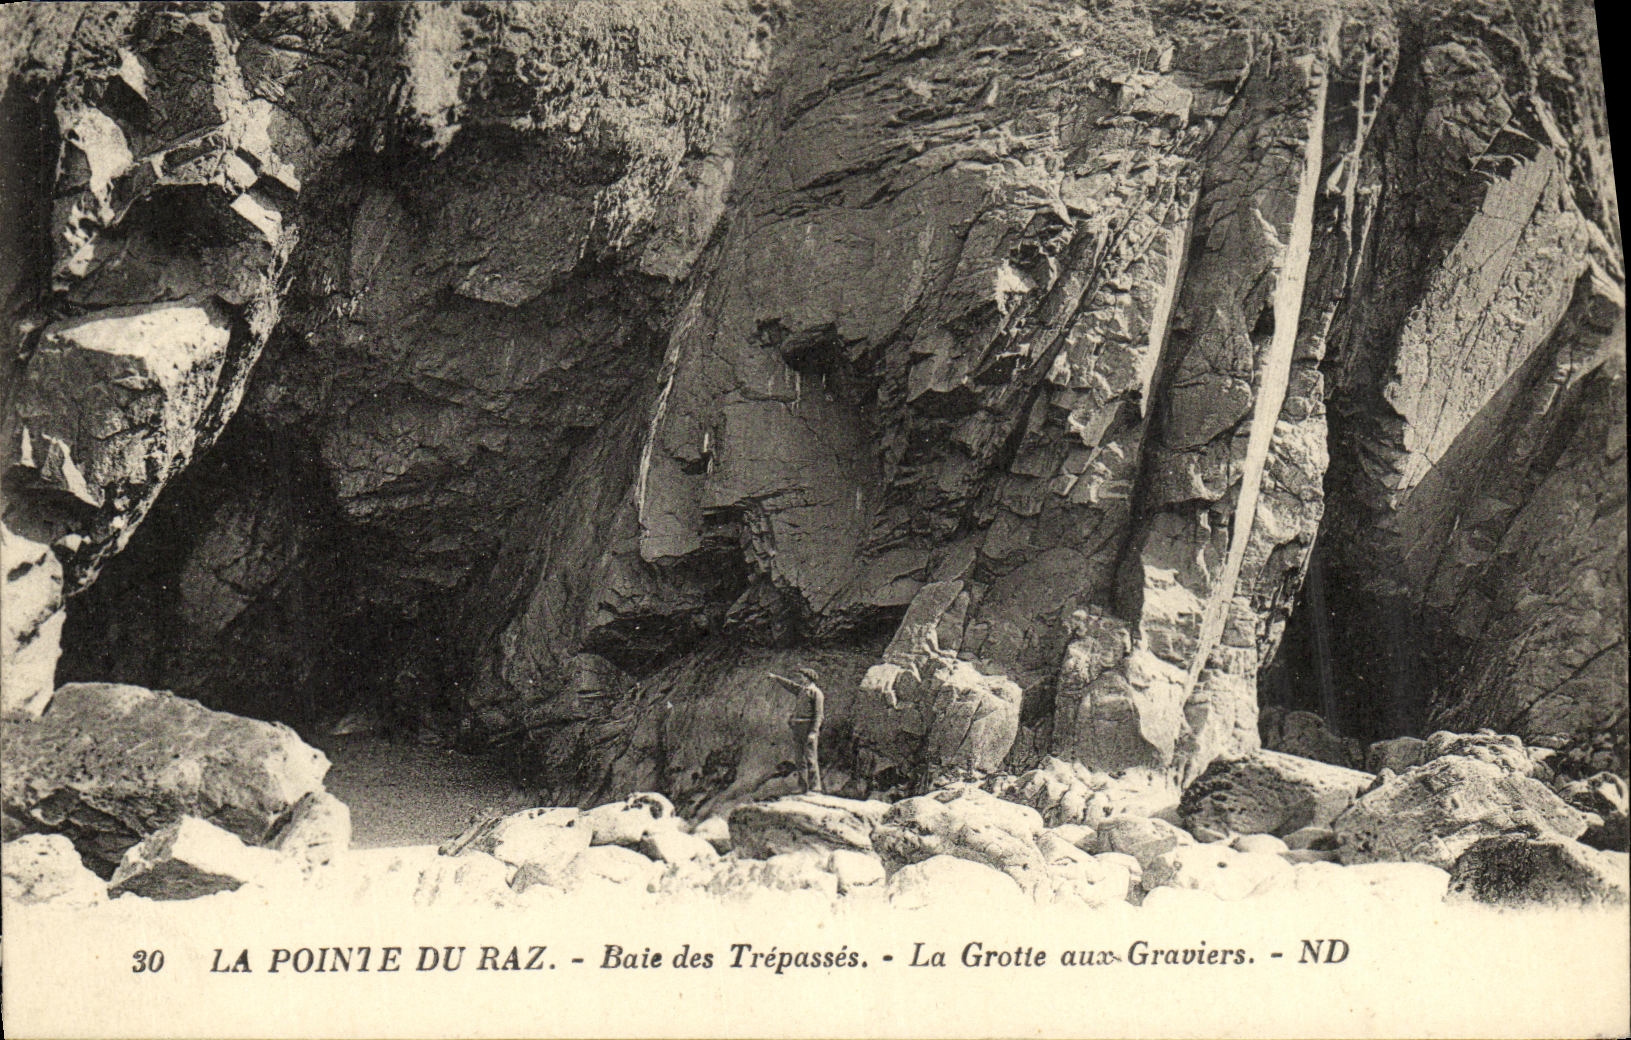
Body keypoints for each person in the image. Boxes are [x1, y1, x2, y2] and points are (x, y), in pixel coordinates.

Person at [767, 667, 825, 794]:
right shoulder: (802, 690)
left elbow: (819, 715)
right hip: (798, 727)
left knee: (810, 758)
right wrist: (776, 678)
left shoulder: (816, 693)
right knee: (799, 759)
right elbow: (790, 685)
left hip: (808, 727)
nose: (800, 678)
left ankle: (815, 788)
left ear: (808, 678)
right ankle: (803, 787)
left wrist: (814, 732)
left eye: (802, 676)